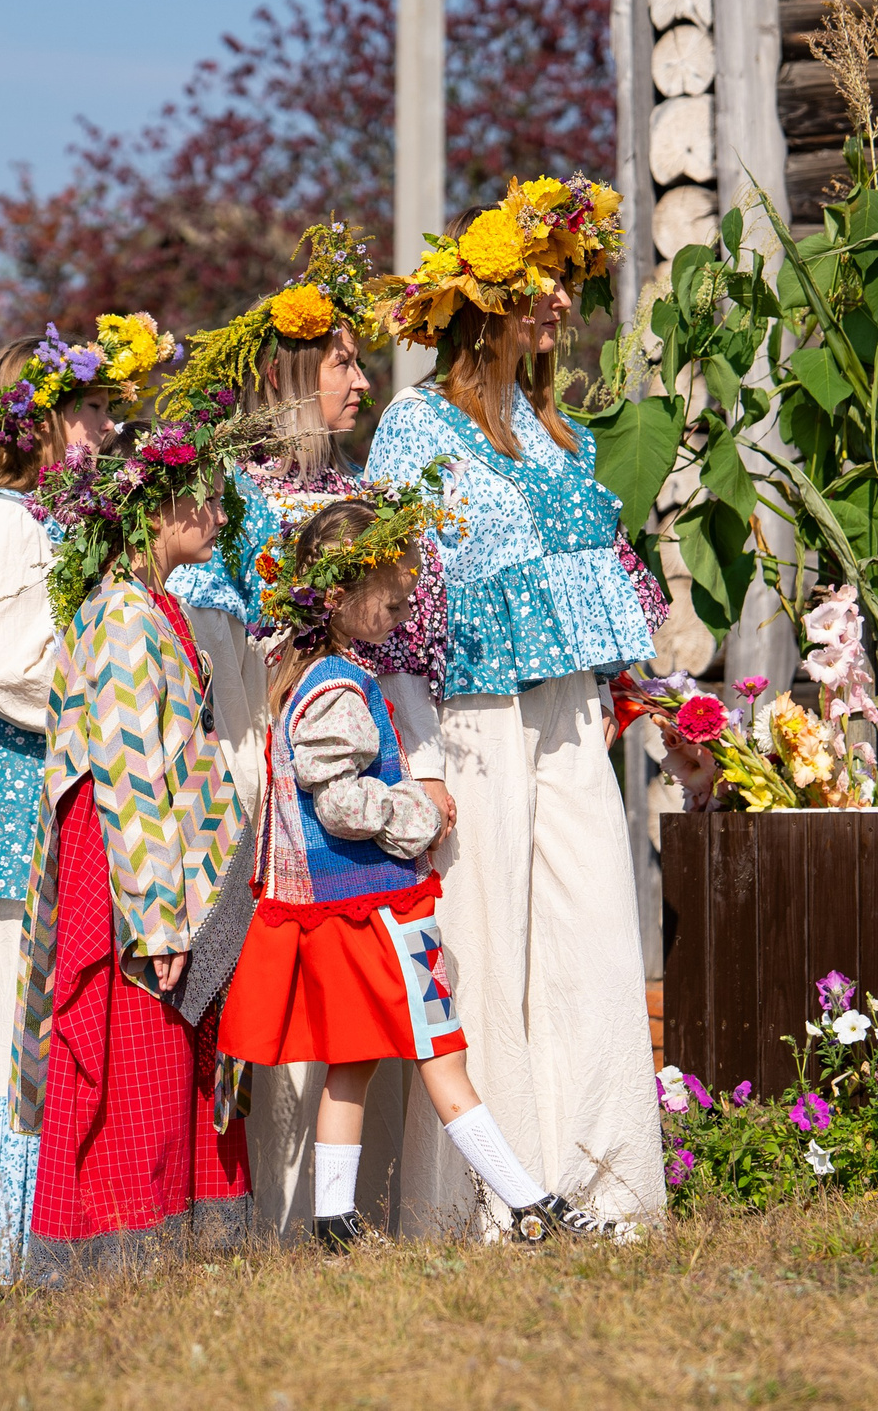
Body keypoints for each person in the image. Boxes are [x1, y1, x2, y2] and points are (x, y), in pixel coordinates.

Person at [361, 175, 673, 1236]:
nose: (557, 303)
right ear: (481, 301)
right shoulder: (415, 427)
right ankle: (487, 1202)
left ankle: (603, 1186)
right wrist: (419, 756)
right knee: (481, 945)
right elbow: (389, 599)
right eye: (539, 282)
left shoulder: (560, 435)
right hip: (469, 720)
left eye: (564, 284)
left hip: (568, 712)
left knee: (589, 932)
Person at [219, 491, 625, 1248]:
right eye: (395, 599)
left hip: (341, 914)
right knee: (445, 1054)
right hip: (374, 913)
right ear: (341, 596)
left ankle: (334, 1222)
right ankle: (533, 1206)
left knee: (354, 1062)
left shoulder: (311, 675)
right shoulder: (339, 686)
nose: (406, 613)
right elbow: (339, 802)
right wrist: (419, 816)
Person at [157, 225, 450, 1235]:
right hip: (258, 761)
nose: (361, 380)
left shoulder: (357, 498)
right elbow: (206, 642)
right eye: (340, 361)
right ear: (289, 375)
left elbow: (405, 646)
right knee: (266, 991)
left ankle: (343, 1204)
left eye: (361, 360)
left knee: (345, 1001)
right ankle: (260, 1212)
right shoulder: (237, 503)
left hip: (349, 756)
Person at [0, 314, 171, 1287]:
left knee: (51, 1029)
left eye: (108, 412)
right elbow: (5, 669)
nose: (105, 432)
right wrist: (115, 695)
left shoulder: (65, 527)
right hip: (20, 798)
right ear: (37, 423)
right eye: (90, 413)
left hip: (67, 793)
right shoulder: (4, 524)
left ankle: (45, 1242)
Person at [7, 401, 275, 1281]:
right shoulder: (122, 616)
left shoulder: (154, 605)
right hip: (130, 873)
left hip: (166, 862)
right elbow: (126, 776)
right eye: (212, 498)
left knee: (173, 1060)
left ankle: (183, 1245)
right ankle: (115, 1252)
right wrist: (159, 922)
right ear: (164, 506)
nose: (225, 516)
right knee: (134, 1059)